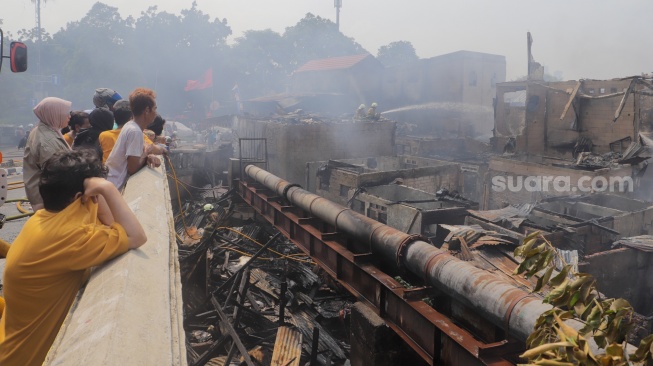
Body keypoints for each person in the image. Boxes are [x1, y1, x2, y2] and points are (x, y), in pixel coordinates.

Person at [0, 149, 147, 365]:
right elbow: (136, 236)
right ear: (80, 197)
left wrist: (95, 194)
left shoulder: (43, 218)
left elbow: (109, 222)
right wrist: (106, 188)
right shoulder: (70, 237)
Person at [106, 88, 162, 190]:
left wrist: (146, 156)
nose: (156, 113)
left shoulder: (130, 125)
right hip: (114, 185)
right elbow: (133, 168)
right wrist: (146, 153)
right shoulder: (135, 131)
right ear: (147, 110)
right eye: (155, 108)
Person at [23, 97, 72, 210]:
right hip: (50, 201)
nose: (69, 116)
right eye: (65, 113)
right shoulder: (48, 141)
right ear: (54, 114)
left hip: (44, 197)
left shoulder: (44, 130)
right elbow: (57, 174)